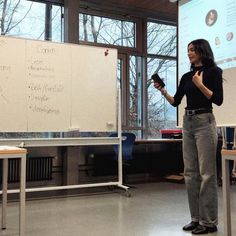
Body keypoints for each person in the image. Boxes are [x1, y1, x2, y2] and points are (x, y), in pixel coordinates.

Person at [154, 39, 223, 234]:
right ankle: (196, 218)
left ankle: (209, 222)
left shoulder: (214, 72)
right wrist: (163, 91)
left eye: (192, 50)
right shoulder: (186, 76)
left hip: (205, 121)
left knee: (207, 174)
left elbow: (218, 100)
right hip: (188, 122)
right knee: (191, 173)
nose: (189, 53)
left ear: (202, 51)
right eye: (188, 50)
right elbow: (176, 102)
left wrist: (200, 85)